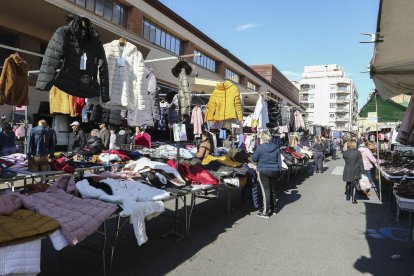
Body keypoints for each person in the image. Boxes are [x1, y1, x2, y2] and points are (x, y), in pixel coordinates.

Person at [251, 132, 282, 218]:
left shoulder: (260, 147)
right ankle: (273, 209)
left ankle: (265, 212)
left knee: (266, 192)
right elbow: (279, 161)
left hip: (263, 170)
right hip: (275, 171)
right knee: (272, 190)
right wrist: (280, 172)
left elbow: (254, 158)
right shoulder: (276, 148)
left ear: (263, 138)